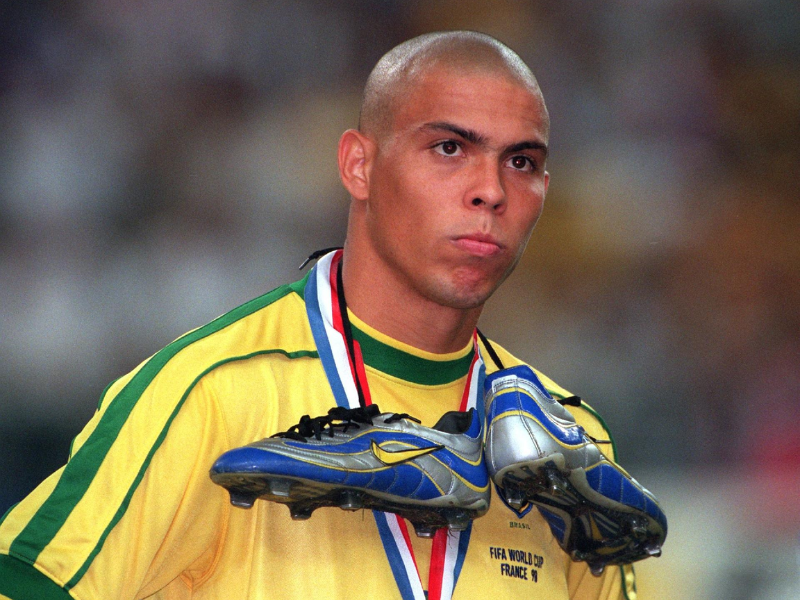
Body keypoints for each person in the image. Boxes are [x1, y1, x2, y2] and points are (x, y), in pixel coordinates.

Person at [0, 31, 651, 599]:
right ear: (358, 165)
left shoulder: (565, 446)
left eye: (522, 162)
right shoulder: (213, 395)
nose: (492, 190)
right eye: (450, 148)